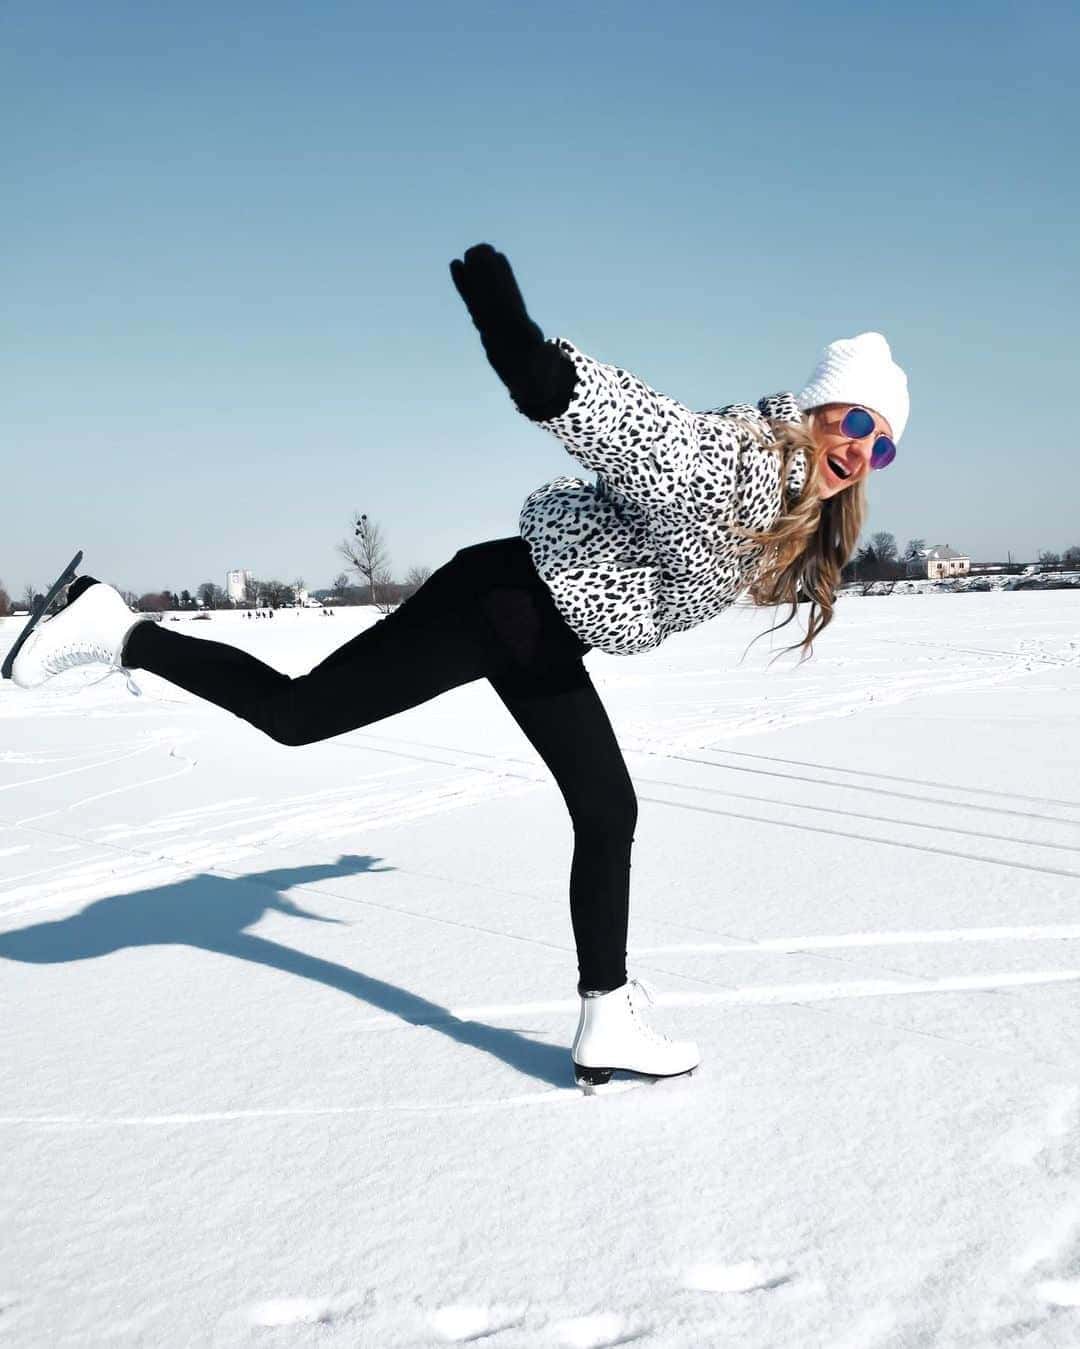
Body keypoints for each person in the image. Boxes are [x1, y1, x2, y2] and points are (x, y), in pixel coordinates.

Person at [9, 244, 909, 1090]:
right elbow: (637, 431)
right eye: (859, 421)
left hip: (539, 626)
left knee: (603, 805)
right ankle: (118, 628)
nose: (862, 450)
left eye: (884, 445)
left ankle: (607, 1015)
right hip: (506, 604)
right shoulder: (741, 462)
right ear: (821, 404)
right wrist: (519, 346)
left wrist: (317, 881)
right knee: (298, 716)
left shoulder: (791, 497)